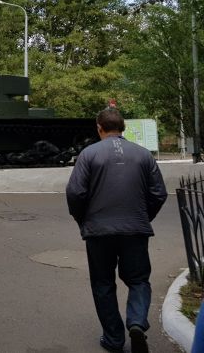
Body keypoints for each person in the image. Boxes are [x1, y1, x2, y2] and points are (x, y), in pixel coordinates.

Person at [66, 108, 167, 353]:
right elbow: (159, 193)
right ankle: (136, 323)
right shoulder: (144, 155)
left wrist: (85, 221)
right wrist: (143, 217)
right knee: (139, 280)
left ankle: (113, 338)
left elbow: (75, 193)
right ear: (123, 128)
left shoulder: (88, 154)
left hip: (99, 231)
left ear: (99, 127)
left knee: (103, 283)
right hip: (135, 229)